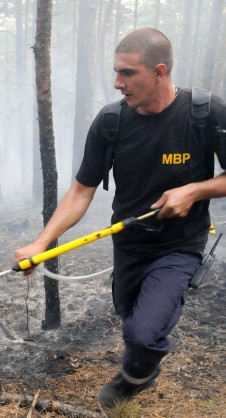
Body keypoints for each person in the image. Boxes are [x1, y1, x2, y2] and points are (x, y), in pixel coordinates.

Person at [14, 27, 226, 408]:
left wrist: (194, 190)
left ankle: (132, 379)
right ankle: (141, 364)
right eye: (116, 72)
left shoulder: (206, 113)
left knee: (144, 336)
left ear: (159, 71)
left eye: (128, 73)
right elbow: (81, 191)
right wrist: (41, 243)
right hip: (128, 247)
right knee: (132, 327)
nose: (117, 83)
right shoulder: (111, 122)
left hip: (180, 246)